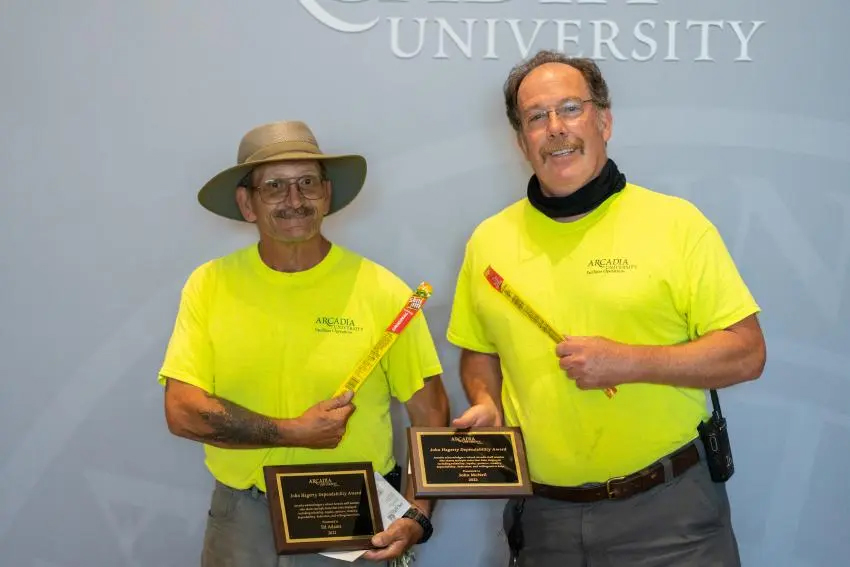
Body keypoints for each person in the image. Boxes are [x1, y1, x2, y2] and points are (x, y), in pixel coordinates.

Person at [447, 50, 766, 566]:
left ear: (604, 121)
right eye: (536, 117)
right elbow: (479, 350)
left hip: (670, 516)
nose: (555, 128)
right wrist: (487, 403)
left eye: (570, 108)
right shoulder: (489, 242)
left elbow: (747, 353)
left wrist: (629, 361)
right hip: (544, 517)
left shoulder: (676, 224)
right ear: (520, 140)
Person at [158, 120, 449, 567]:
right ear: (247, 203)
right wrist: (294, 431)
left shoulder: (384, 291)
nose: (294, 200)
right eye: (274, 186)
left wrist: (418, 514)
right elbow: (181, 410)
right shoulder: (209, 285)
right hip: (243, 520)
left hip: (352, 519)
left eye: (307, 183)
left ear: (327, 195)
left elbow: (431, 415)